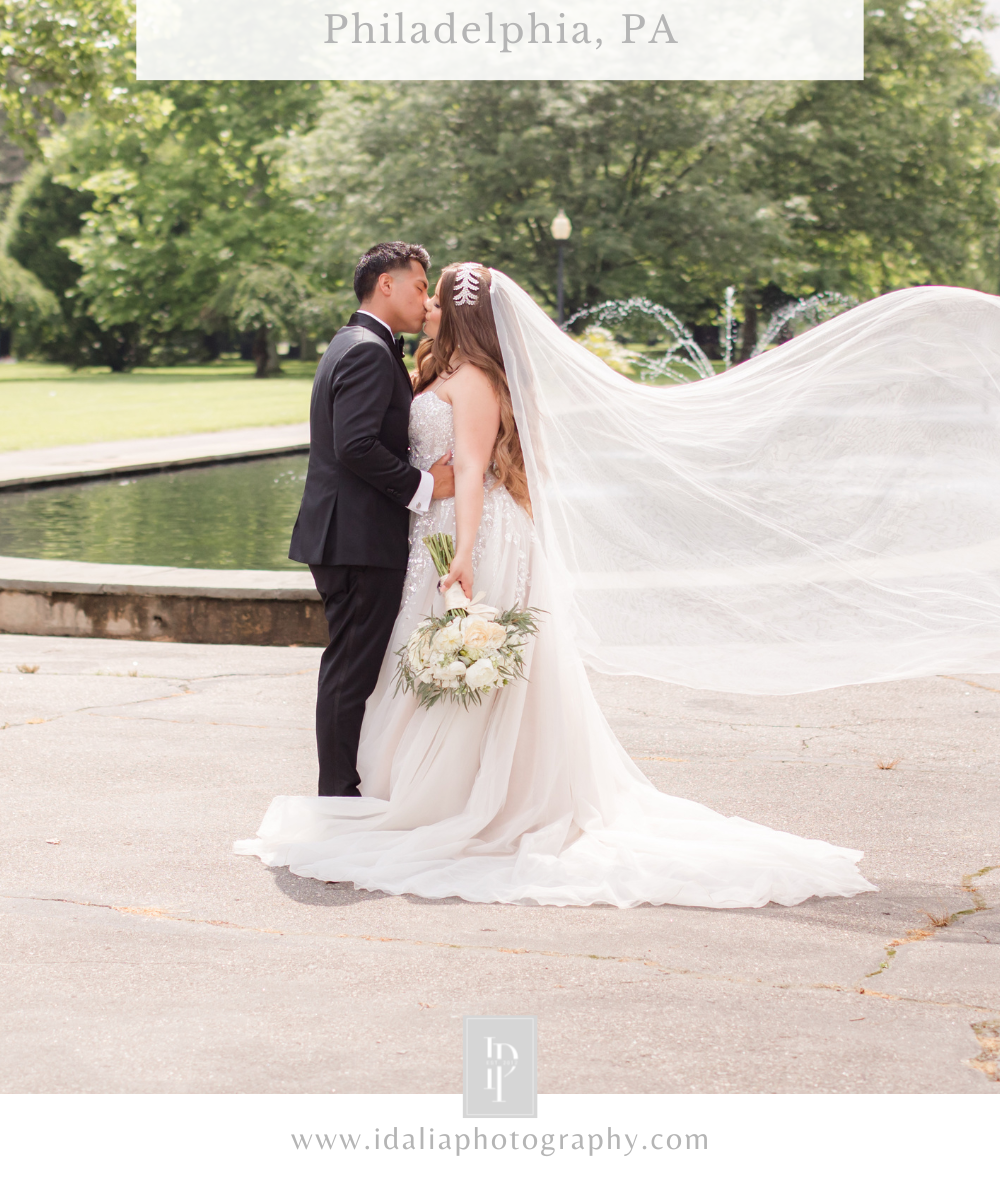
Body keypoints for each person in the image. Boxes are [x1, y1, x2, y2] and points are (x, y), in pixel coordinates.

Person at [241, 261, 1000, 907]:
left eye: (439, 297)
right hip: (427, 534)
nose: (430, 307)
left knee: (456, 670)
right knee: (416, 667)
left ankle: (459, 799)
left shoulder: (472, 381)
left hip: (467, 536)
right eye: (424, 292)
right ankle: (404, 789)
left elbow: (470, 469)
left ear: (465, 317)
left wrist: (464, 552)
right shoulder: (442, 370)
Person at [288, 242, 455, 797]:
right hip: (356, 539)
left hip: (349, 535)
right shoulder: (365, 350)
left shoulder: (358, 342)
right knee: (350, 670)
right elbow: (355, 444)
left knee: (351, 667)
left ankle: (343, 786)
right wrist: (427, 486)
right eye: (417, 286)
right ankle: (338, 795)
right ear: (386, 283)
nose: (424, 298)